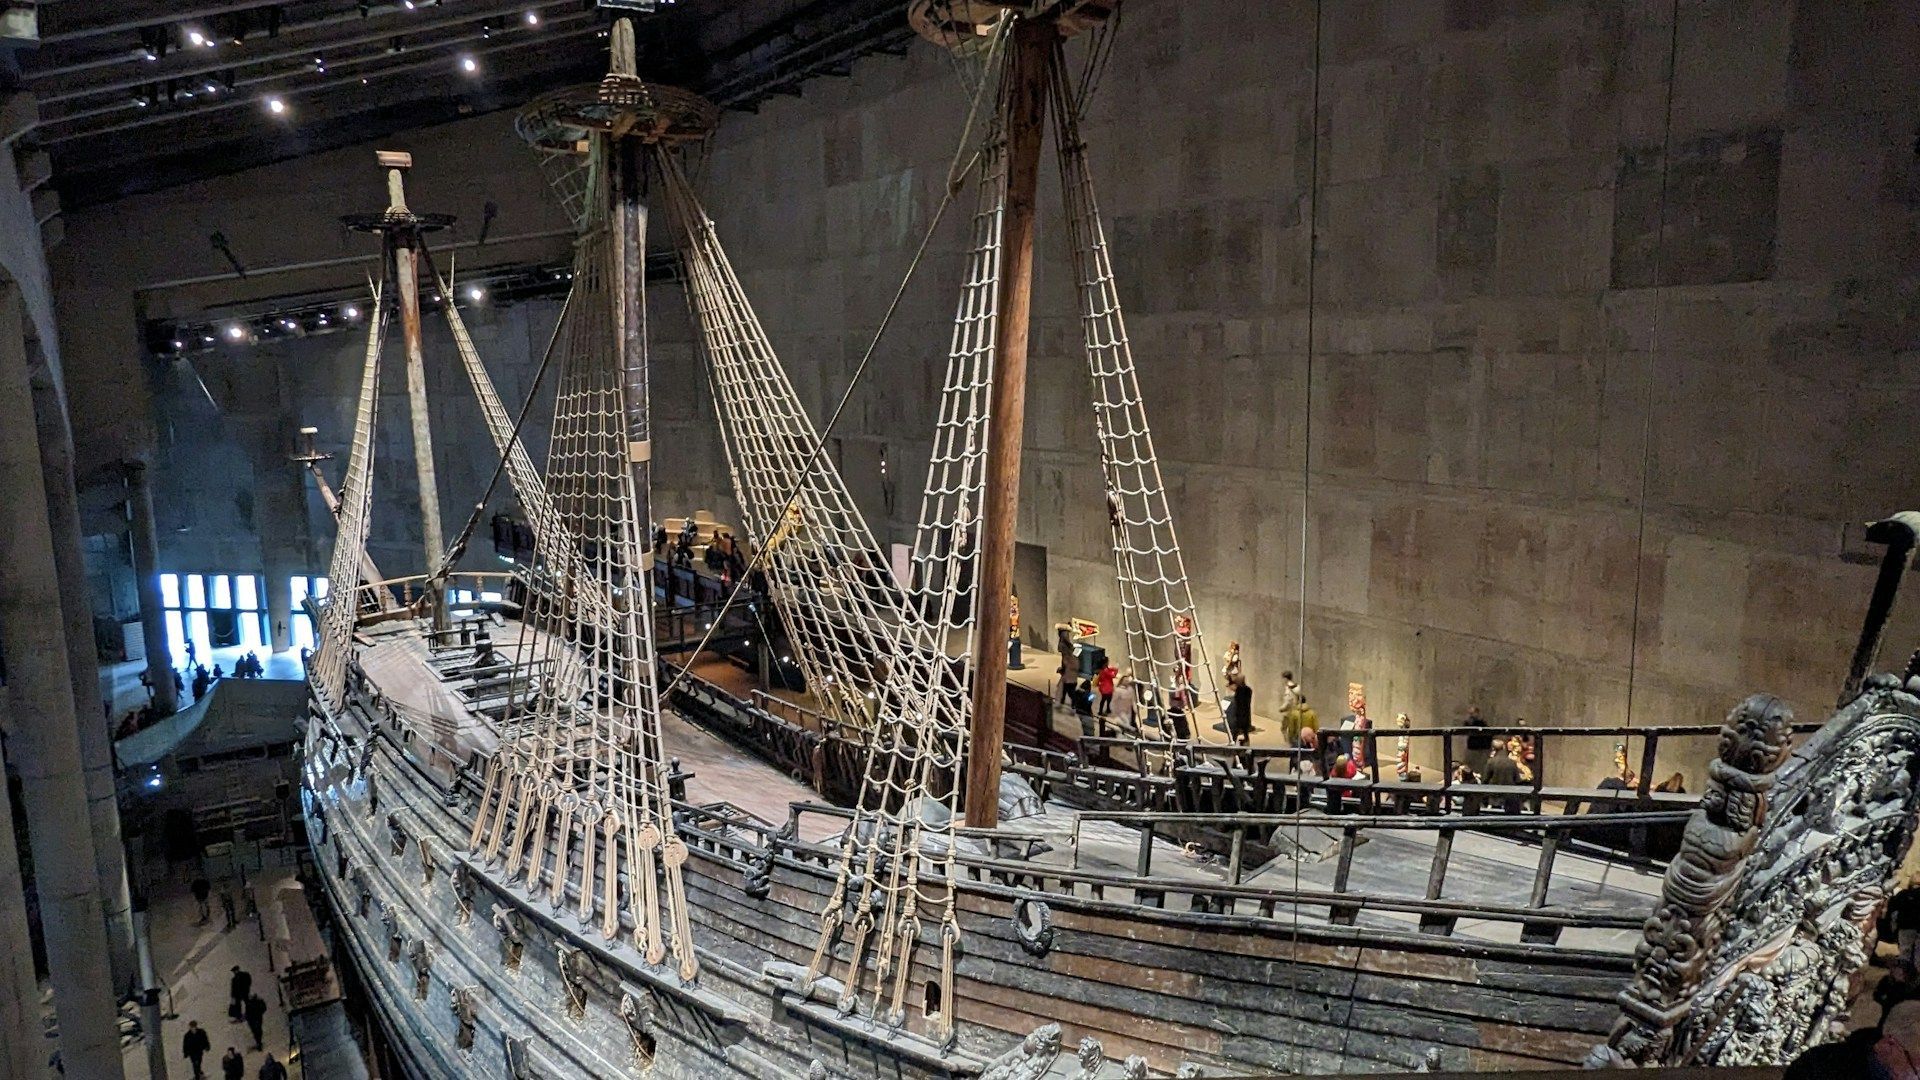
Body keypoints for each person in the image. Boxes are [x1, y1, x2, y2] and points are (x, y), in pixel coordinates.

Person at [1463, 705, 1492, 774]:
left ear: (1477, 713)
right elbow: (1465, 730)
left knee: (1480, 767)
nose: (1471, 715)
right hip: (1472, 747)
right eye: (1470, 714)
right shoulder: (1468, 723)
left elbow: (1488, 734)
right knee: (1470, 765)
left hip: (1482, 748)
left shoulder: (1482, 723)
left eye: (1472, 713)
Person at [1227, 674, 1253, 747]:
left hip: (1240, 713)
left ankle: (1233, 743)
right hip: (1246, 712)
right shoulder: (1248, 689)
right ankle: (1246, 742)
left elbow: (1238, 698)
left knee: (1236, 730)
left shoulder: (1240, 690)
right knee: (1245, 730)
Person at [1056, 628, 1076, 704]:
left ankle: (1062, 700)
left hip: (1063, 647)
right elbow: (1066, 641)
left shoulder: (1062, 632)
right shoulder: (1065, 632)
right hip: (1065, 648)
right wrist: (1071, 646)